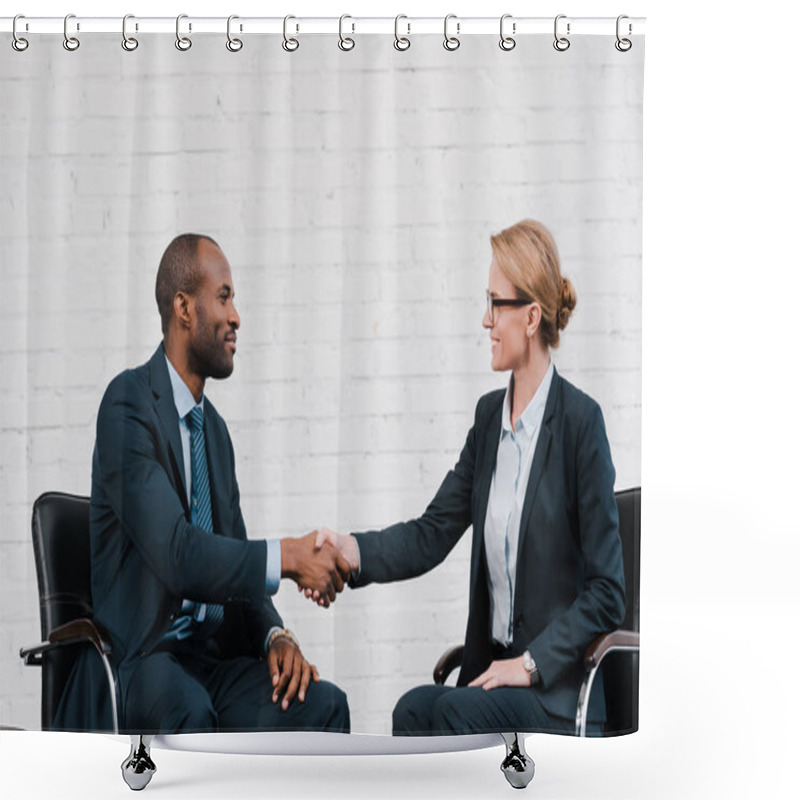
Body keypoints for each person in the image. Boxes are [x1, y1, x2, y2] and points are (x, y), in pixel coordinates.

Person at [315, 220, 626, 736]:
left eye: (494, 303)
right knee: (412, 710)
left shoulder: (579, 424)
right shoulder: (488, 422)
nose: (485, 320)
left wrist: (529, 665)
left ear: (530, 317)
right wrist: (351, 550)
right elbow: (431, 532)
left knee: (454, 713)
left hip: (556, 691)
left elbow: (608, 591)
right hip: (493, 676)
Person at [54, 233, 350, 734]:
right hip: (142, 660)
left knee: (323, 705)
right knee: (191, 710)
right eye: (224, 296)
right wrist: (289, 557)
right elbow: (178, 554)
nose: (236, 317)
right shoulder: (127, 407)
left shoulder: (213, 432)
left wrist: (275, 636)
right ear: (184, 308)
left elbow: (231, 558)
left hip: (207, 662)